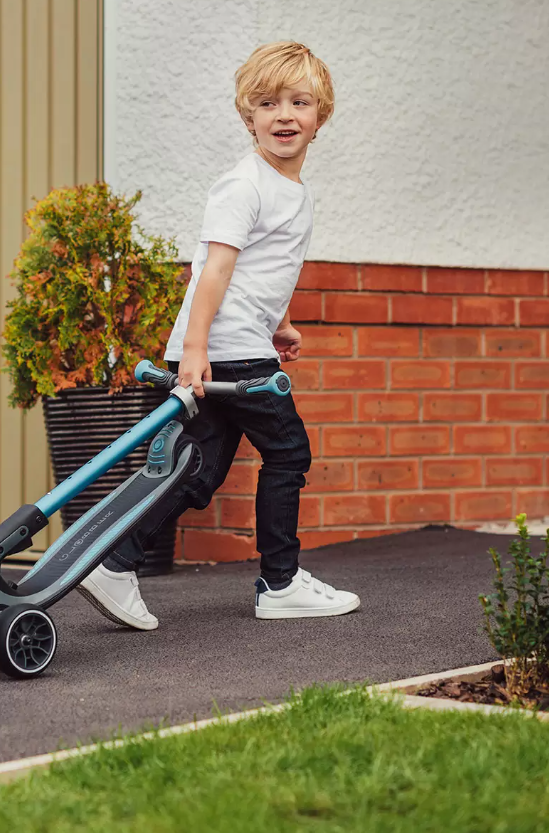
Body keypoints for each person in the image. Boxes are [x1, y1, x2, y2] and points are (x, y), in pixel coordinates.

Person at [78, 41, 360, 630]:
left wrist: (277, 324)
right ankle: (280, 584)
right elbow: (213, 270)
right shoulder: (245, 184)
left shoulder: (292, 191)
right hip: (226, 351)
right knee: (288, 451)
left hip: (235, 342)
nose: (284, 115)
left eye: (298, 102)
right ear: (247, 116)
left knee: (197, 469)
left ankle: (117, 566)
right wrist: (197, 349)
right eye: (267, 103)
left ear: (320, 115)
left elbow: (263, 270)